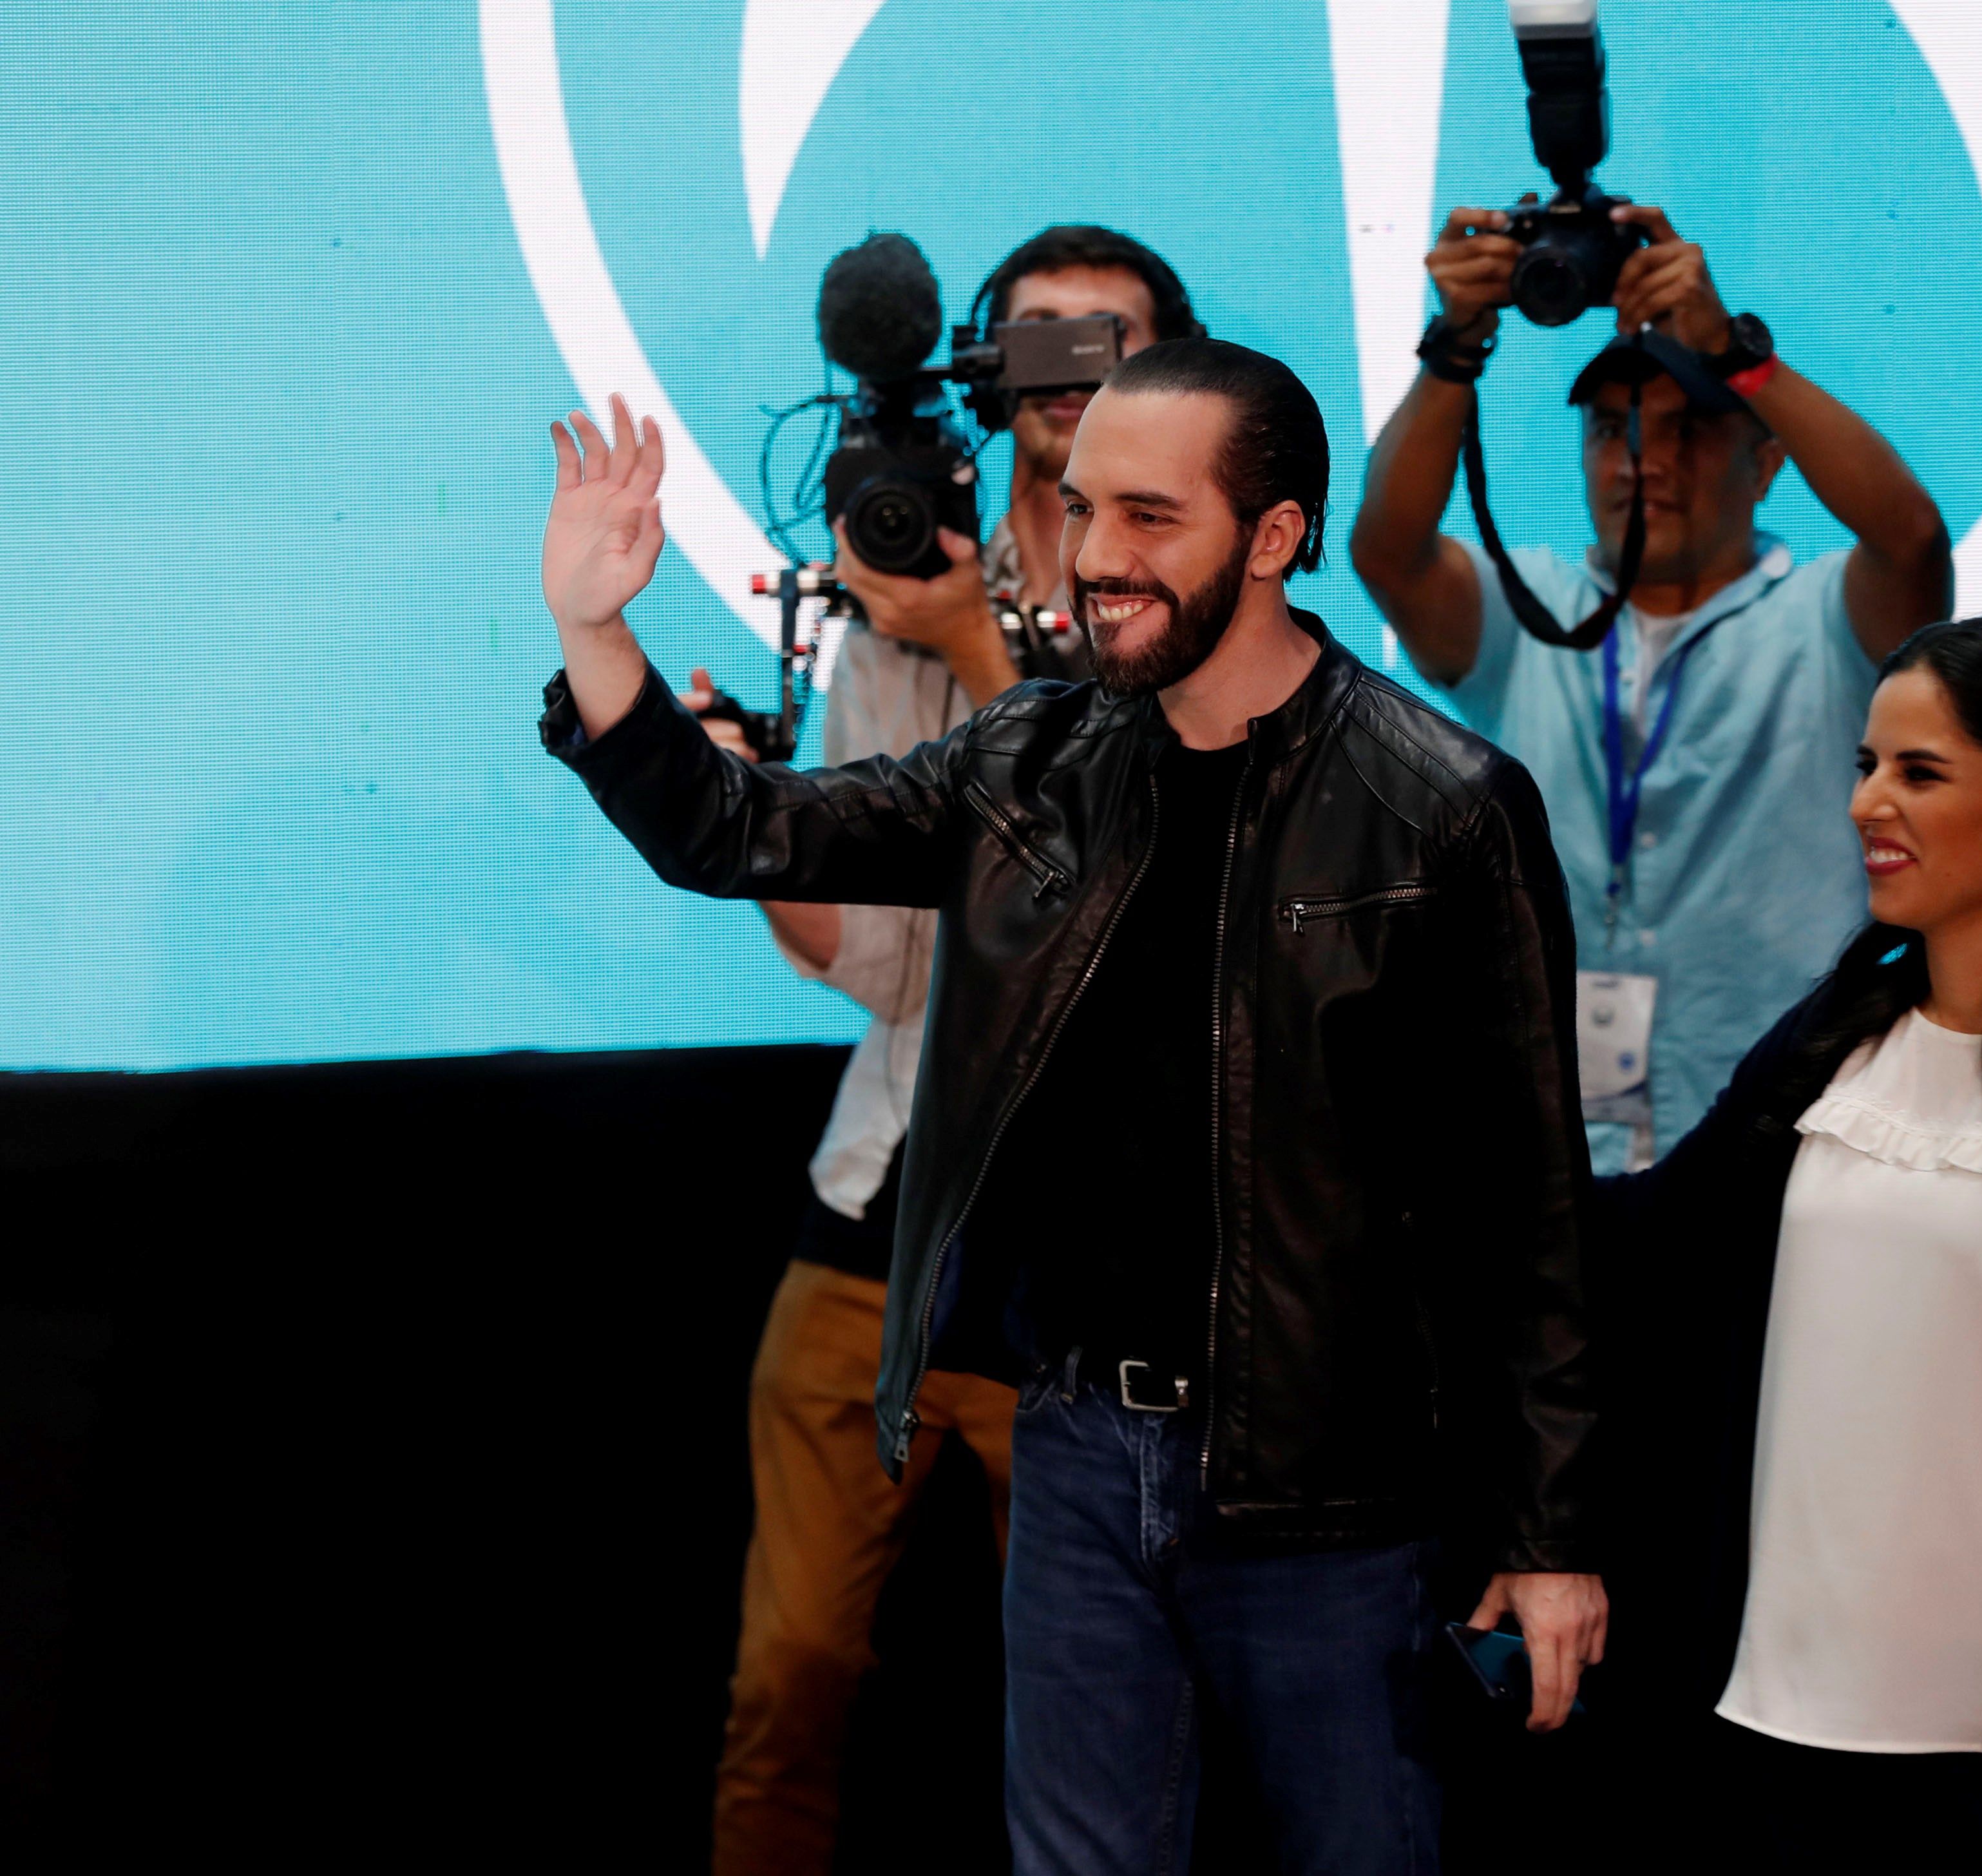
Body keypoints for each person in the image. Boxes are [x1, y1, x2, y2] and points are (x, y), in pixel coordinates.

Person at [533, 339, 1604, 1875]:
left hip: (1332, 1488)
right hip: (1085, 1452)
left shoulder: (1443, 803)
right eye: (1087, 508)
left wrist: (1551, 1533)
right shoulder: (1033, 753)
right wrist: (594, 623)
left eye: (1151, 518)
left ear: (1279, 536)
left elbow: (1530, 1204)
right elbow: (735, 828)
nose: (1097, 558)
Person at [680, 225, 1197, 1876]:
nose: (1065, 370)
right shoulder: (897, 582)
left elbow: (1129, 928)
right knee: (791, 1674)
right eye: (1034, 339)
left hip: (1091, 1262)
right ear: (981, 363)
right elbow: (892, 963)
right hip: (879, 1210)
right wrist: (749, 825)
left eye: (1103, 337)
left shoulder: (1201, 599)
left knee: (1098, 1698)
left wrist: (984, 646)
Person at [1596, 615, 1982, 1873]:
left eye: (1918, 773)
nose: (1867, 802)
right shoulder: (1842, 1025)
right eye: (1868, 764)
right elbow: (1658, 1239)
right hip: (1762, 1718)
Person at [1350, 200, 1950, 1171]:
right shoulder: (1532, 609)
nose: (1643, 464)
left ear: (1766, 465)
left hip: (1791, 1132)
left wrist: (1739, 355)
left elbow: (1913, 538)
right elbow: (1387, 548)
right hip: (1556, 1144)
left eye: (1690, 431)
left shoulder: (1830, 615)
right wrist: (1457, 344)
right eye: (1611, 431)